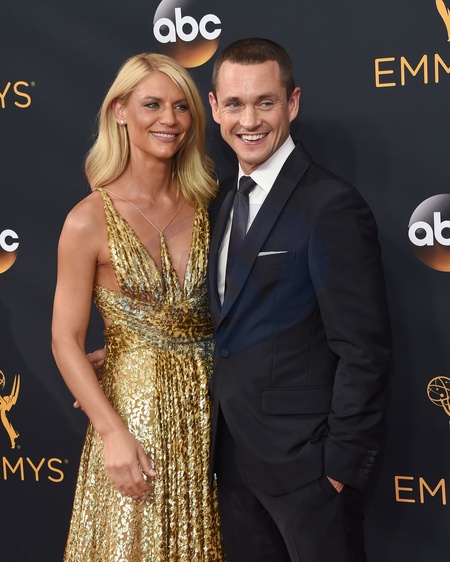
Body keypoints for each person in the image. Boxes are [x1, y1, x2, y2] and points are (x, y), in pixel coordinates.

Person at [206, 37, 392, 562]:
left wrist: (338, 468)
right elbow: (228, 322)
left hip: (309, 473)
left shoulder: (330, 204)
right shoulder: (221, 203)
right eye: (235, 104)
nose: (249, 121)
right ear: (215, 108)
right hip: (232, 464)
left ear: (292, 103)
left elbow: (364, 349)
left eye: (265, 102)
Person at [51, 53, 225, 561]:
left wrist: (151, 341)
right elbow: (65, 339)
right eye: (152, 105)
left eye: (181, 106)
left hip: (216, 414)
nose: (169, 119)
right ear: (120, 111)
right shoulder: (87, 220)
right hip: (134, 421)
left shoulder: (214, 204)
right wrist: (112, 433)